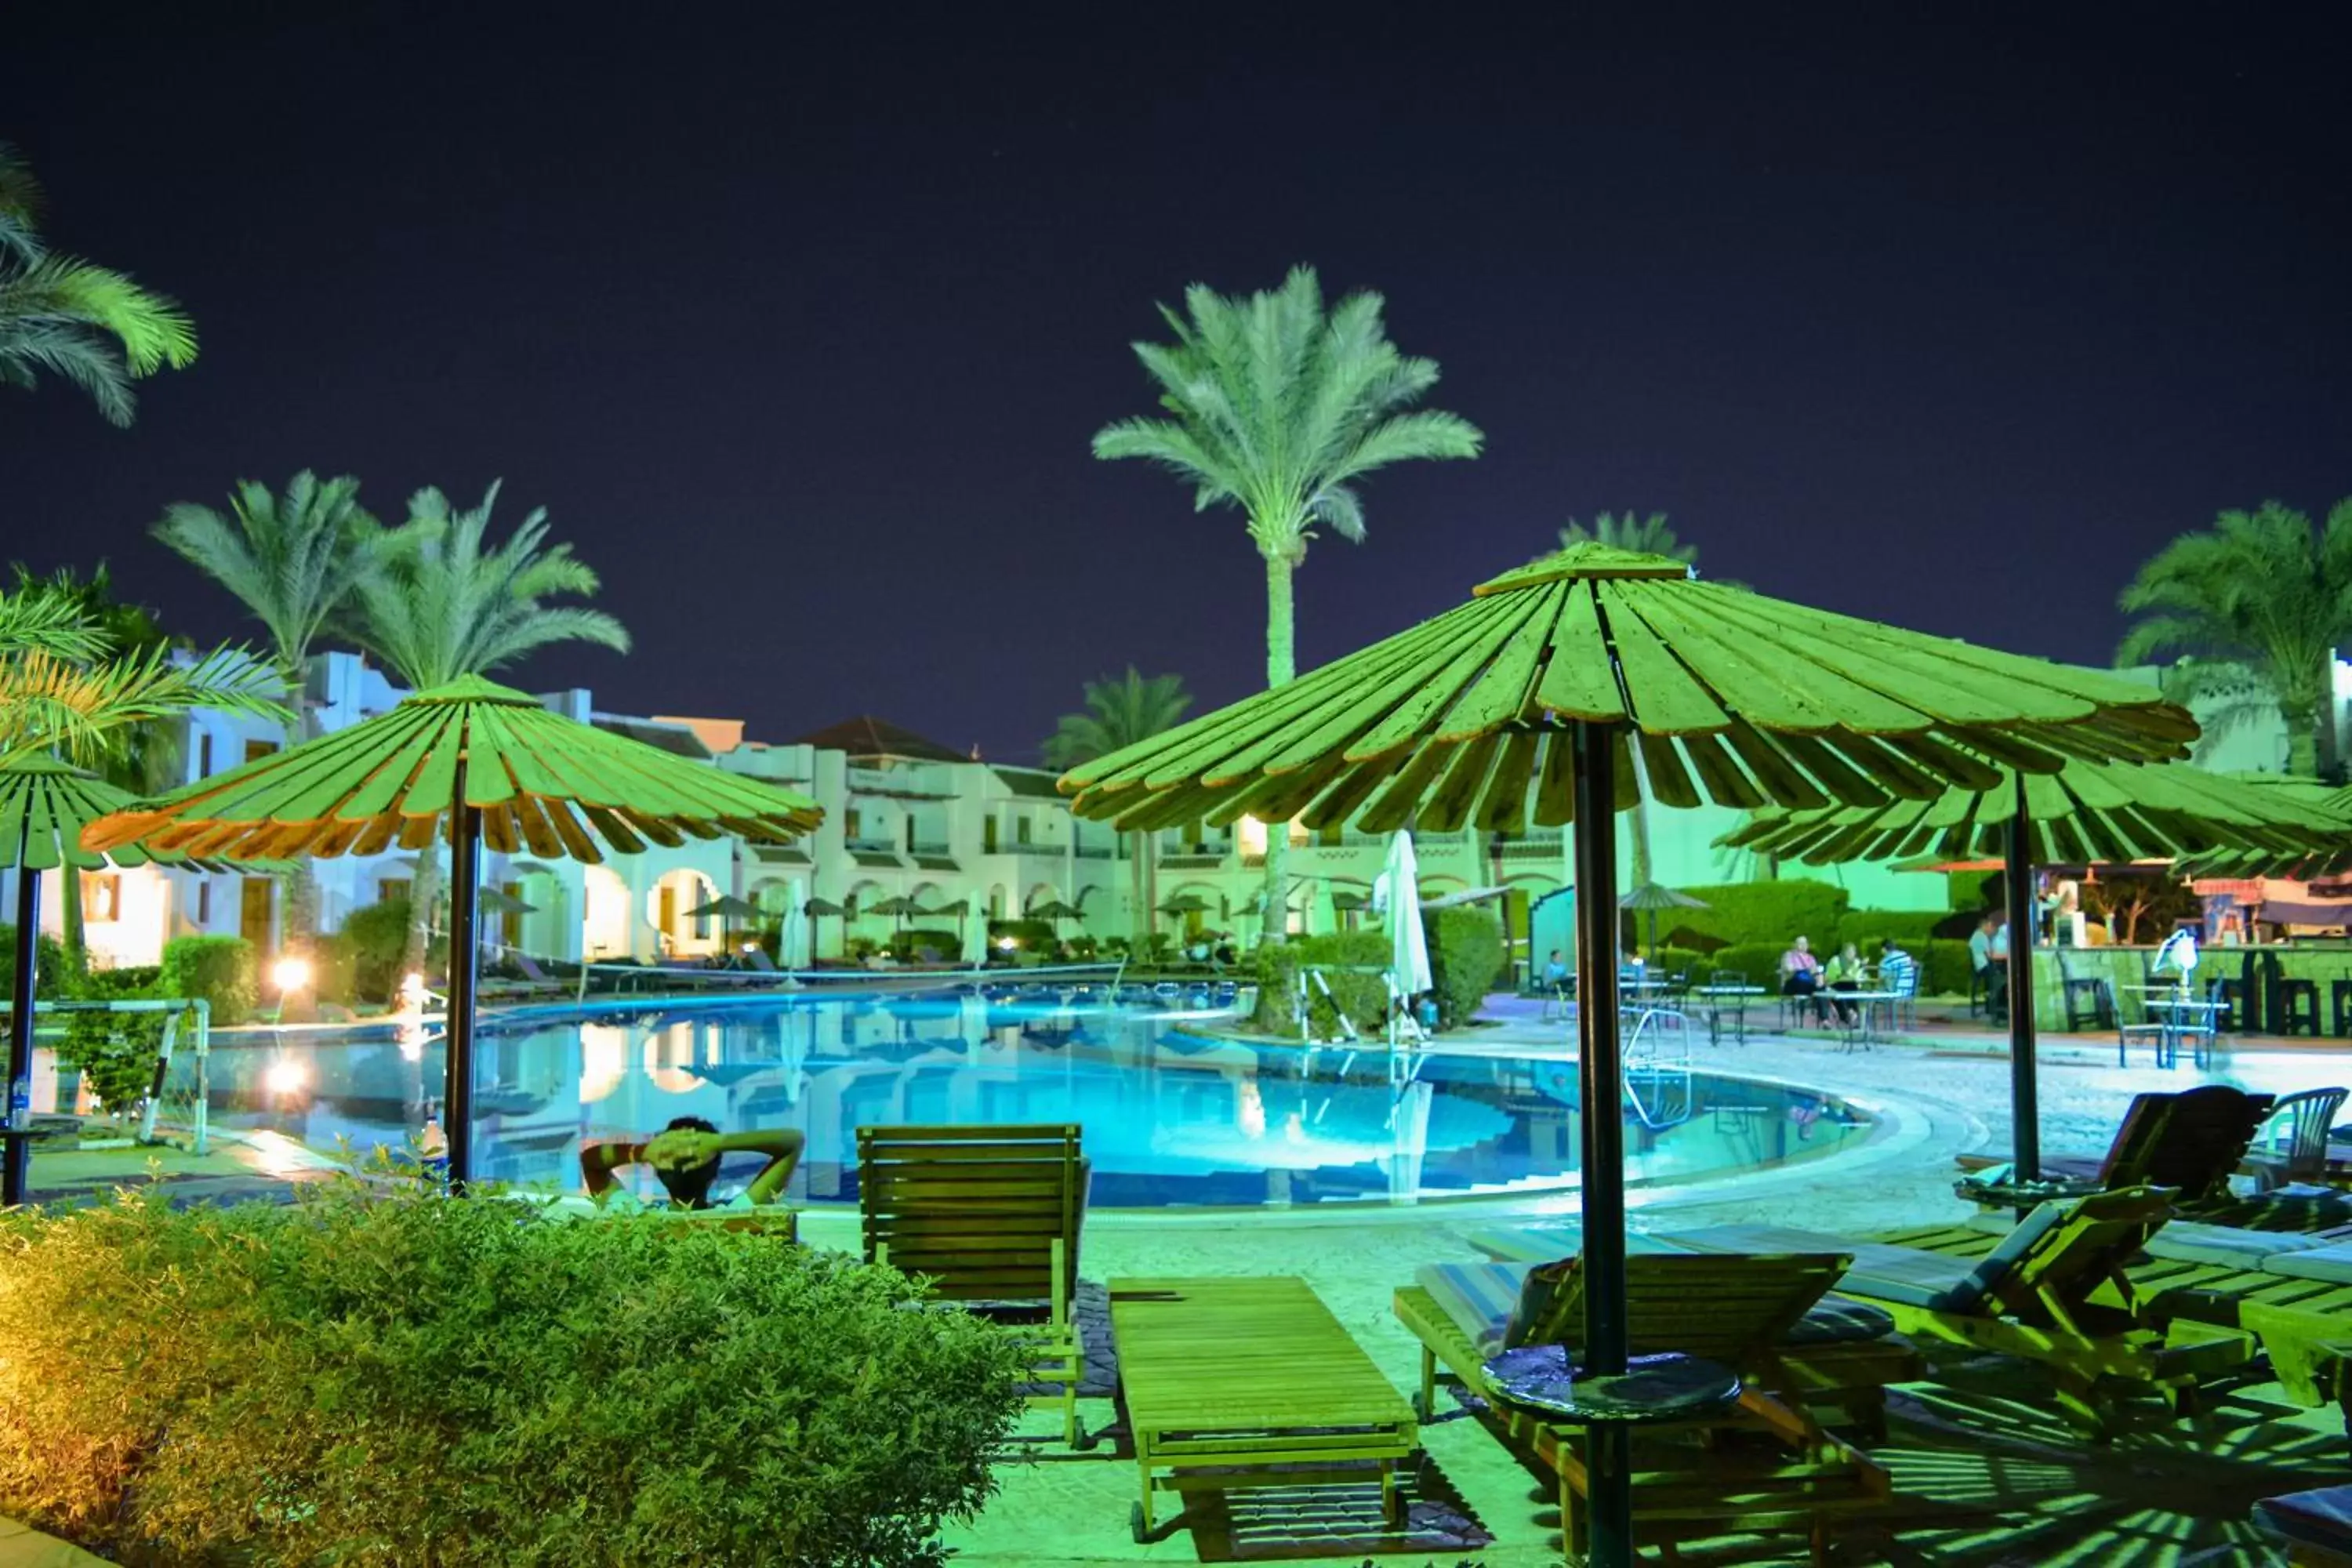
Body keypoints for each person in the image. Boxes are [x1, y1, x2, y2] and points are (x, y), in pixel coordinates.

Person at [580, 1116, 804, 1210]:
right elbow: (793, 1143)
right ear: (715, 1174)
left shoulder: (633, 1219)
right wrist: (720, 1142)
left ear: (657, 1172)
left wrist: (642, 1151)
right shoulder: (737, 1214)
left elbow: (591, 1161)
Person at [1779, 935, 1827, 1024]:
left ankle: (1824, 1019)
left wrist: (1819, 979)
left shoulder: (1811, 958)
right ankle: (1824, 1019)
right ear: (1795, 945)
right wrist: (1802, 969)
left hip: (1807, 985)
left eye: (1805, 943)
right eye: (1800, 943)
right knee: (1801, 979)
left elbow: (1815, 972)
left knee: (1821, 988)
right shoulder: (1789, 955)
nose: (1803, 945)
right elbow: (1788, 969)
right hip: (1792, 984)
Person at [1822, 940, 1866, 1027]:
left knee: (1853, 988)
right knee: (1840, 993)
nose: (1852, 954)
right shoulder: (1835, 961)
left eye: (1854, 952)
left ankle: (1853, 1014)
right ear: (1844, 952)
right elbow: (1833, 977)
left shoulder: (1857, 962)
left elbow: (1858, 976)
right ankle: (1848, 1016)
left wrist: (1860, 968)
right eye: (1849, 952)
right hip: (1835, 985)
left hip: (1851, 986)